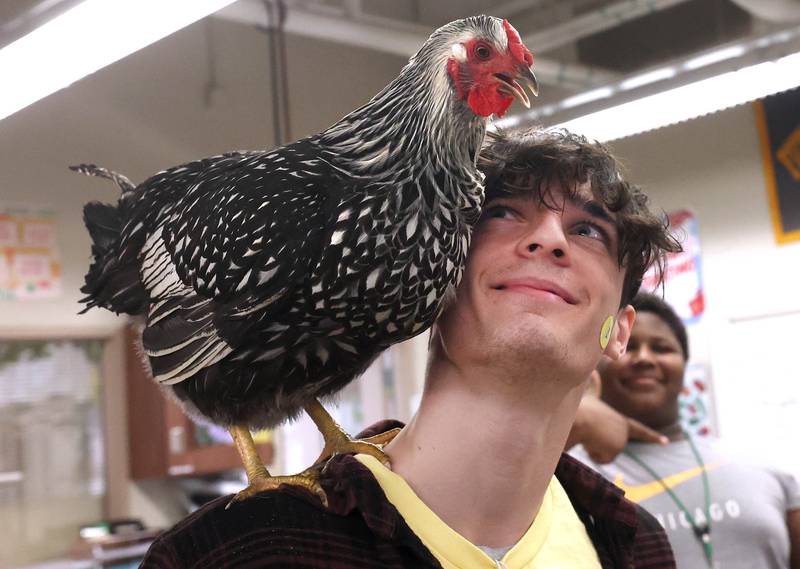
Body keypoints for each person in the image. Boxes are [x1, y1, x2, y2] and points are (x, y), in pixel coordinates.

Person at [140, 128, 681, 569]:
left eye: (588, 230)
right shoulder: (235, 551)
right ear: (436, 267)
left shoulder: (635, 546)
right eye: (505, 212)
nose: (549, 239)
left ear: (622, 330)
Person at [572, 293, 800, 569]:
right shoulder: (566, 477)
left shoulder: (762, 468)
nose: (645, 358)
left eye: (661, 348)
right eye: (629, 347)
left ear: (684, 366)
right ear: (596, 366)